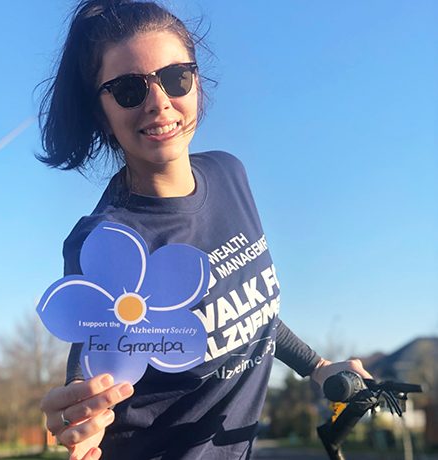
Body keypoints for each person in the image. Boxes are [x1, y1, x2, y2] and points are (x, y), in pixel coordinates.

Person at [37, 1, 372, 459]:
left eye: (176, 77)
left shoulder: (230, 174)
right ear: (102, 112)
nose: (159, 102)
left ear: (196, 83)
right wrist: (78, 406)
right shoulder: (106, 237)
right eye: (129, 89)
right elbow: (95, 345)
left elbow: (253, 312)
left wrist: (317, 367)